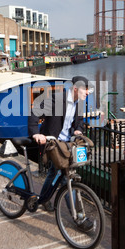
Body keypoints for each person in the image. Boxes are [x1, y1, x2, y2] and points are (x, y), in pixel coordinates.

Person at [28, 76, 92, 212]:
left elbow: (79, 121)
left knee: (53, 172)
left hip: (67, 144)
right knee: (65, 176)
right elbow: (34, 113)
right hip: (53, 142)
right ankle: (78, 216)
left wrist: (79, 130)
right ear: (75, 89)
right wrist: (35, 133)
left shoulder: (79, 103)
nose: (87, 93)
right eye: (85, 90)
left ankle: (43, 199)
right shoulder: (56, 99)